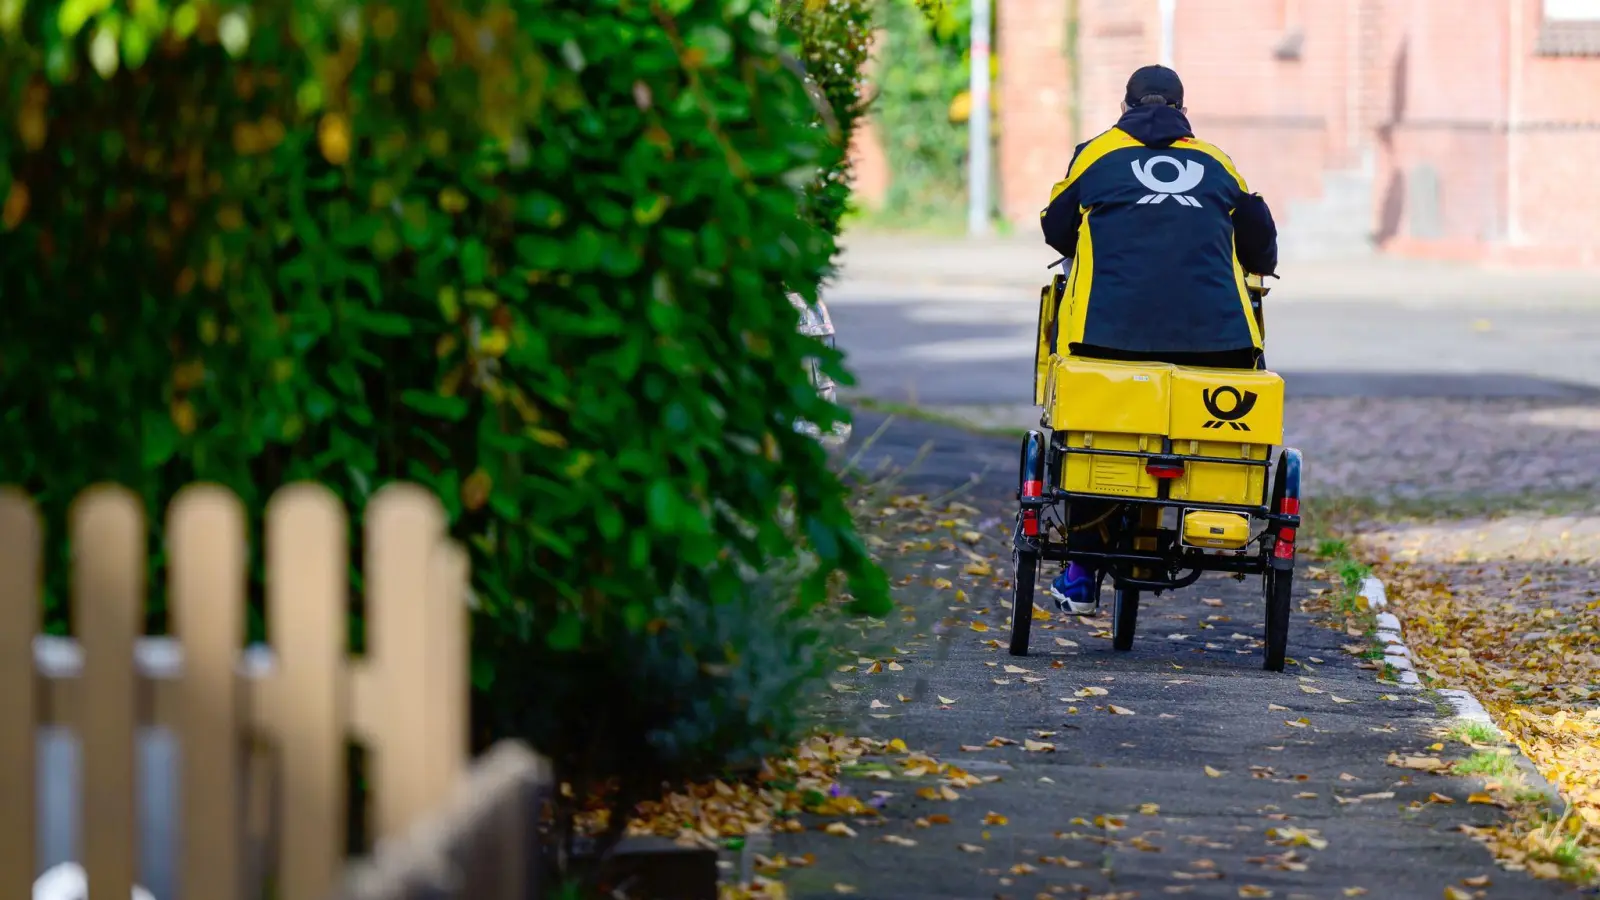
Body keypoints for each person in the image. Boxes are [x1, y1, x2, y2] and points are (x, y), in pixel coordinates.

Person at [1039, 64, 1279, 614]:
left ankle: (1081, 572)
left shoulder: (1095, 154)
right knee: (1215, 439)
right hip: (1219, 343)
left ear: (1124, 108)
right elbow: (1260, 239)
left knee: (1091, 433)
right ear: (1183, 110)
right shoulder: (1216, 161)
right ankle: (1217, 519)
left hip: (1106, 337)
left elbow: (1055, 229)